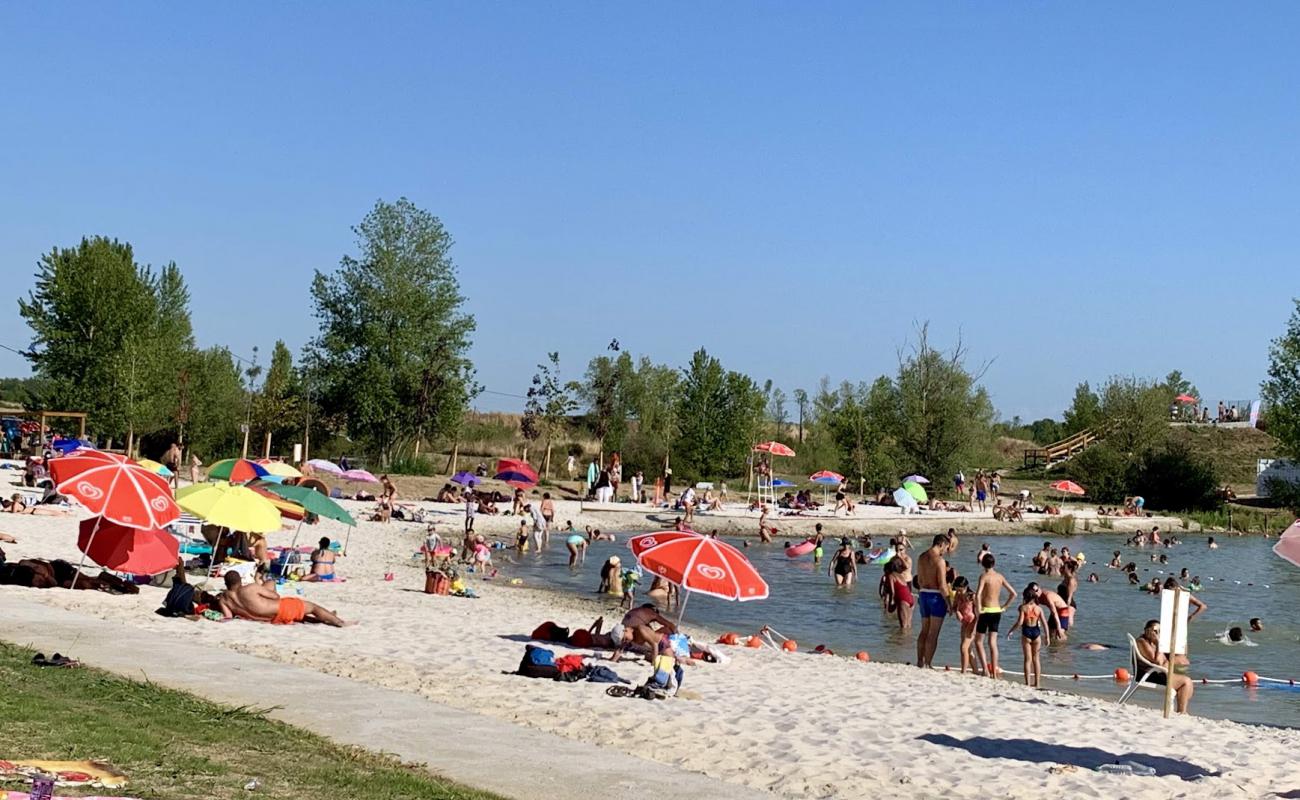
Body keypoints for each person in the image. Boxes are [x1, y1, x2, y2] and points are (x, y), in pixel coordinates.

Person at [217, 571, 351, 626]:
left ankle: (326, 618)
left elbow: (228, 617)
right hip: (279, 610)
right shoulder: (250, 588)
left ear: (226, 584)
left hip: (270, 619)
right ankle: (339, 622)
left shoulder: (223, 599)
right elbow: (276, 597)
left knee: (300, 615)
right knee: (312, 607)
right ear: (240, 580)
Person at [1135, 619, 1194, 713]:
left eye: (1159, 631)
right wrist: (1158, 643)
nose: (1156, 633)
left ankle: (1181, 711)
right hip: (1148, 675)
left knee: (1187, 680)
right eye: (1154, 631)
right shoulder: (1142, 641)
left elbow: (1184, 661)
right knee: (1186, 682)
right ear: (1147, 630)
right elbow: (1158, 661)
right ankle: (1182, 712)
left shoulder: (1153, 643)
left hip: (1157, 673)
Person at [974, 553, 1015, 679]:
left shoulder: (984, 576)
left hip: (986, 610)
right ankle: (994, 674)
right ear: (994, 564)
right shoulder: (999, 577)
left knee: (979, 641)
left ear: (982, 564)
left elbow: (978, 594)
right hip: (997, 610)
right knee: (993, 642)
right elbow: (1013, 593)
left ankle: (986, 670)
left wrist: (978, 608)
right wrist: (1005, 607)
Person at [915, 534, 950, 668]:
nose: (945, 551)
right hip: (936, 596)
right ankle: (928, 663)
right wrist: (949, 603)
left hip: (923, 594)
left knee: (924, 630)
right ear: (941, 544)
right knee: (933, 633)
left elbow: (919, 581)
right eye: (946, 548)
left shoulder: (921, 557)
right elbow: (942, 585)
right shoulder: (939, 561)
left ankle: (919, 660)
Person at [1007, 586, 1045, 687]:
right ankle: (1037, 683)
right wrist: (1048, 637)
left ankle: (1027, 683)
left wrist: (1011, 631)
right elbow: (1044, 623)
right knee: (1036, 659)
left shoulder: (1022, 608)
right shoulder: (1039, 609)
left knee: (1027, 659)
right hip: (1036, 632)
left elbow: (1019, 622)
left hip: (1026, 632)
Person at [950, 576, 977, 674]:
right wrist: (955, 611)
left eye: (961, 590)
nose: (959, 592)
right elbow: (954, 607)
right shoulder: (957, 595)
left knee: (964, 647)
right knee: (968, 649)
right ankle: (975, 670)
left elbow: (978, 612)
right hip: (964, 623)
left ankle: (964, 671)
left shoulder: (972, 596)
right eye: (957, 590)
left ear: (966, 587)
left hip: (972, 622)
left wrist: (974, 627)